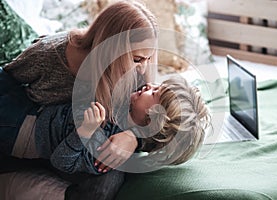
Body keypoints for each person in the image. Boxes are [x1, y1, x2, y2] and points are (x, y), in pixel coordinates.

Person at [1, 1, 158, 199]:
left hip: (76, 148)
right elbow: (7, 80)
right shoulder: (49, 54)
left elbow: (156, 116)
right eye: (137, 59)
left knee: (105, 182)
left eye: (148, 59)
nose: (143, 69)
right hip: (32, 134)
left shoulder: (138, 72)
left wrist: (134, 138)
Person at [0, 67, 210, 175]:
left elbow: (61, 162)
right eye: (157, 85)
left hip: (23, 131)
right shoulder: (127, 109)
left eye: (154, 93)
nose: (150, 85)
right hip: (32, 106)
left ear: (153, 120)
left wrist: (83, 132)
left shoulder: (110, 150)